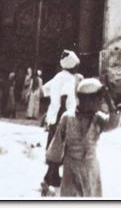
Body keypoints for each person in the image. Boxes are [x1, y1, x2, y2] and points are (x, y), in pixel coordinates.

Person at [45, 78, 120, 197]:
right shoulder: (67, 118)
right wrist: (51, 171)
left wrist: (109, 101)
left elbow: (113, 124)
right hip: (71, 168)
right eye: (97, 100)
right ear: (86, 100)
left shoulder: (98, 118)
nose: (100, 103)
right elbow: (57, 145)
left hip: (91, 169)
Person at [41, 49, 80, 192]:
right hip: (62, 117)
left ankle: (53, 175)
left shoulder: (58, 76)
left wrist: (52, 107)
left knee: (54, 146)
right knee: (59, 147)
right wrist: (62, 117)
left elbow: (45, 89)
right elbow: (64, 98)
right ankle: (49, 177)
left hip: (54, 116)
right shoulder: (69, 79)